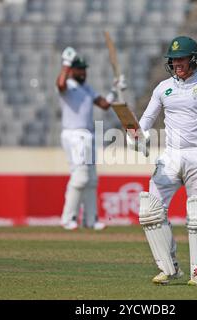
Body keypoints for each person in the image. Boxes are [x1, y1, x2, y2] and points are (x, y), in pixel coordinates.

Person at [127, 36, 197, 285]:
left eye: (181, 58)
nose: (177, 64)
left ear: (194, 59)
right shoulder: (163, 88)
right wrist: (137, 136)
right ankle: (169, 267)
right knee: (150, 209)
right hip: (171, 154)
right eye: (173, 60)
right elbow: (147, 118)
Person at [56, 47, 126, 230]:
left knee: (91, 179)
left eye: (84, 69)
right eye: (79, 69)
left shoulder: (86, 87)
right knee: (80, 177)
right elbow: (60, 84)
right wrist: (65, 63)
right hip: (73, 134)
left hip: (87, 135)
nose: (83, 72)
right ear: (72, 70)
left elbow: (103, 104)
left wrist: (114, 89)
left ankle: (90, 219)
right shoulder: (68, 85)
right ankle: (67, 218)